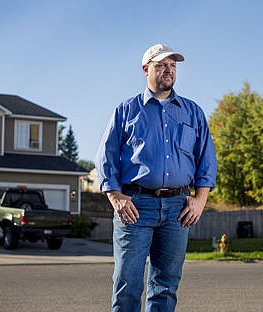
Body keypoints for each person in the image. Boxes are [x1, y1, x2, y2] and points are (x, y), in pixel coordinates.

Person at [96, 43, 217, 312]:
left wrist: (200, 199)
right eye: (162, 64)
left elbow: (206, 159)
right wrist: (115, 196)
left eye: (173, 66)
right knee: (127, 284)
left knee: (166, 285)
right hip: (135, 207)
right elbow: (106, 156)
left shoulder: (193, 112)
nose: (169, 70)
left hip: (178, 209)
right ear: (145, 69)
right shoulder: (126, 111)